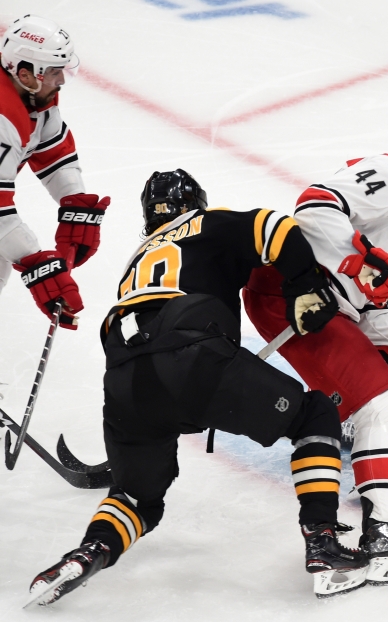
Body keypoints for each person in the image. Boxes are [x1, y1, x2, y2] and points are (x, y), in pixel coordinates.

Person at [27, 169, 367, 606]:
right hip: (193, 355)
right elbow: (277, 226)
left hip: (125, 377)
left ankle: (89, 552)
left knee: (138, 497)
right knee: (314, 415)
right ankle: (322, 542)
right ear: (196, 202)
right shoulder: (206, 222)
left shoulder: (139, 256)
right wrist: (303, 283)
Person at [242, 105, 388, 585]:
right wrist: (357, 262)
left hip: (323, 307)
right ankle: (382, 530)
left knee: (387, 397)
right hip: (295, 294)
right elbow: (313, 207)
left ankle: (377, 524)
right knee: (380, 406)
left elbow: (369, 303)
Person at [0, 15, 110, 329]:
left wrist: (75, 201)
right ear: (25, 73)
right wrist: (38, 263)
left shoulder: (33, 95)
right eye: (54, 72)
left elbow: (53, 151)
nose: (61, 80)